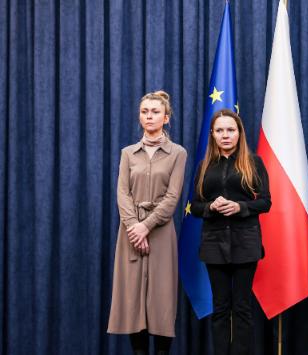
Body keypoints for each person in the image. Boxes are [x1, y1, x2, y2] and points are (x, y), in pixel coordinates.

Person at [107, 90, 187, 355]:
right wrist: (134, 227)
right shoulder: (128, 153)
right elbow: (122, 193)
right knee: (132, 299)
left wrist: (147, 226)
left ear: (166, 118)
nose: (149, 116)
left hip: (161, 233)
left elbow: (173, 196)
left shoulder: (178, 153)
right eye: (145, 112)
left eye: (155, 112)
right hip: (130, 234)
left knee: (161, 298)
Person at [190, 109, 271, 355]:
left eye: (231, 130)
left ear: (239, 133)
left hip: (245, 242)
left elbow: (266, 202)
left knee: (243, 307)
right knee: (221, 307)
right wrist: (210, 207)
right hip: (214, 243)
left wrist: (240, 206)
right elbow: (194, 206)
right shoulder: (205, 166)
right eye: (220, 130)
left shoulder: (253, 162)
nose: (226, 135)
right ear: (213, 135)